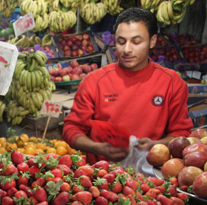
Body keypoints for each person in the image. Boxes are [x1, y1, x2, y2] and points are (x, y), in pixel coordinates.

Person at [63, 7, 192, 164]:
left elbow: (181, 133)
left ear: (152, 41)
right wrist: (97, 148)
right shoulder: (94, 81)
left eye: (136, 42)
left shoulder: (172, 82)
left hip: (152, 179)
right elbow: (72, 129)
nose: (127, 50)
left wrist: (155, 145)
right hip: (101, 180)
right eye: (121, 42)